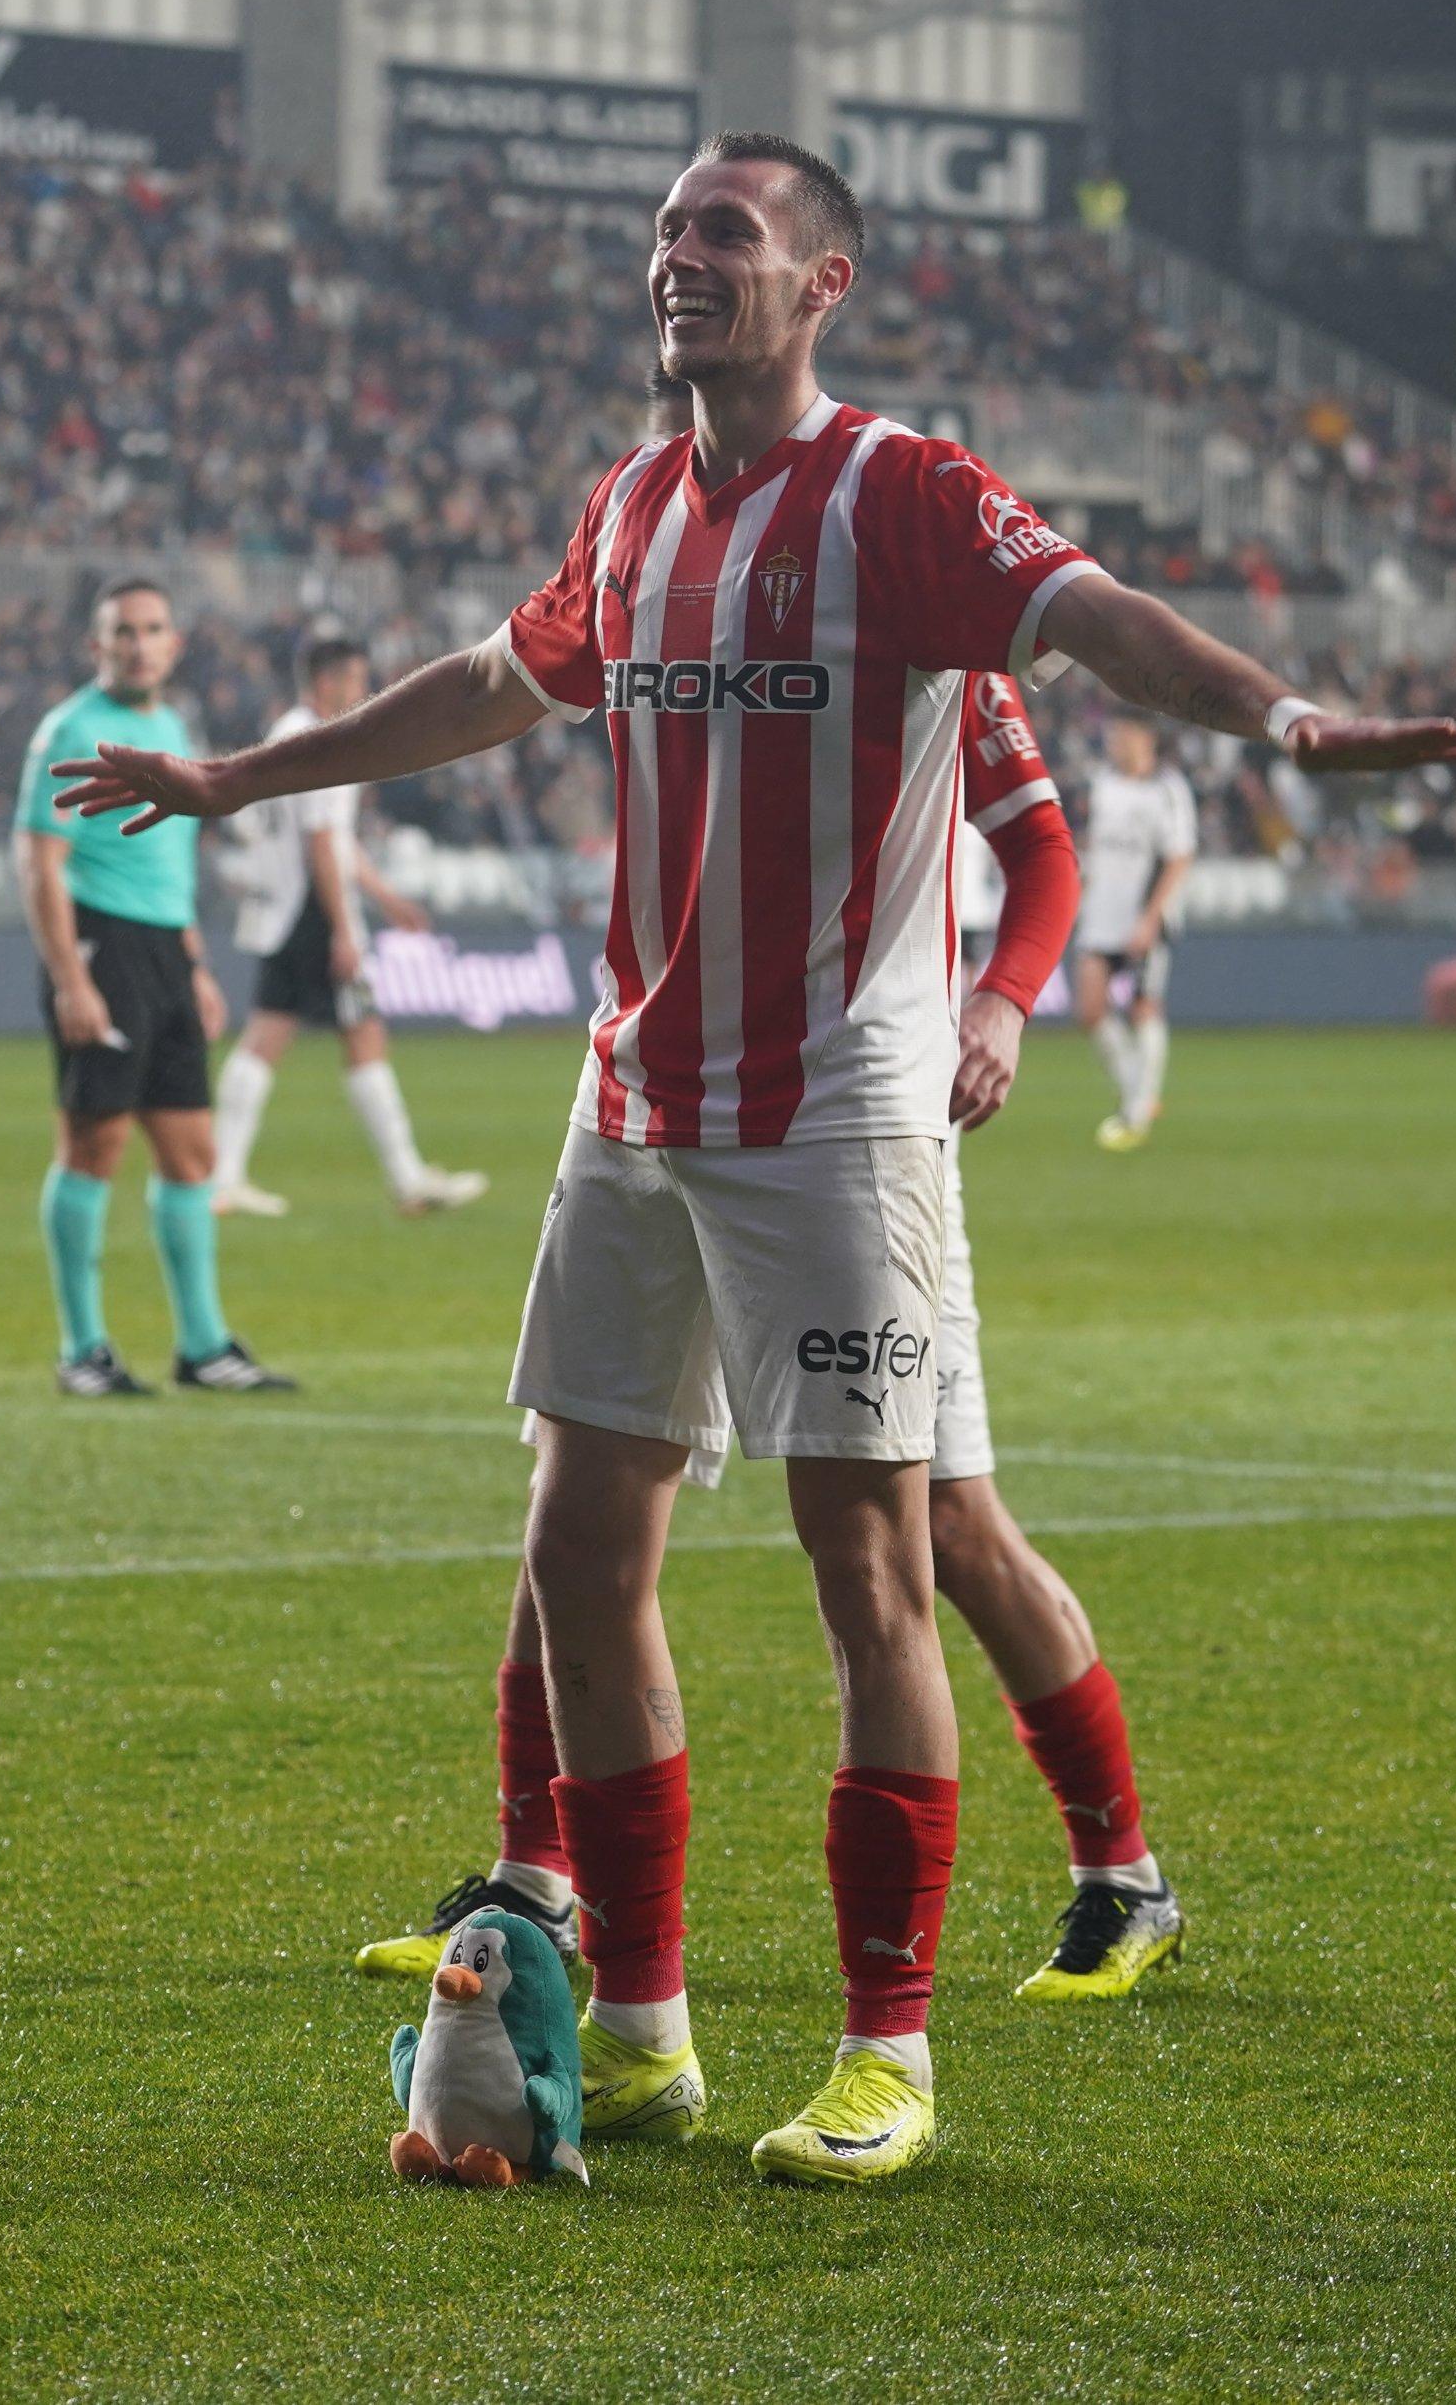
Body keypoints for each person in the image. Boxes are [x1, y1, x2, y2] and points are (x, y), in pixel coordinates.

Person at [54, 130, 1456, 2185]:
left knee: (878, 1561)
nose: (676, 260)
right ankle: (639, 2028)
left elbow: (1094, 620)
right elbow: (480, 683)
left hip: (831, 1104)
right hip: (632, 1091)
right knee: (575, 1543)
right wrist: (231, 774)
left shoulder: (898, 496)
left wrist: (1287, 721)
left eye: (720, 233)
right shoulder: (631, 507)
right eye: (661, 233)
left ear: (821, 283)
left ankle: (887, 2048)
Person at [353, 671, 1187, 2024]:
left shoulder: (905, 585)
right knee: (580, 1499)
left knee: (942, 1523)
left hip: (859, 1125)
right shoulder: (671, 566)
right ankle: (538, 1876)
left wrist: (1006, 996)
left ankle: (1121, 1865)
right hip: (669, 1104)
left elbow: (1039, 843)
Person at [15, 579, 293, 1398]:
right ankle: (82, 1348)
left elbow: (172, 861)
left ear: (175, 644)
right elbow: (40, 863)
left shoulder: (171, 725)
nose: (139, 644)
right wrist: (71, 979)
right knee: (93, 1145)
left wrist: (195, 964)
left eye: (153, 629)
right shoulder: (69, 730)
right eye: (122, 631)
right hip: (101, 947)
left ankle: (203, 1346)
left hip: (167, 954)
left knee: (191, 1152)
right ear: (97, 646)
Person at [208, 632, 487, 1221]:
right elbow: (319, 843)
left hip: (297, 909)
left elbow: (335, 839)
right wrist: (343, 930)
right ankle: (405, 1179)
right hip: (313, 911)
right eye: (357, 679)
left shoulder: (294, 733)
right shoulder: (315, 740)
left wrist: (384, 897)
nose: (365, 691)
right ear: (327, 681)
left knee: (283, 1034)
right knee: (336, 1036)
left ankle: (226, 1178)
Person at [1072, 712, 1199, 1152]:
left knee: (1144, 1007)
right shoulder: (1102, 782)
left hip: (1145, 915)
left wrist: (1150, 917)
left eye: (1121, 733)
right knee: (1089, 1007)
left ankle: (1137, 1107)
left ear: (1143, 737)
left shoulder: (1168, 788)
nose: (1113, 740)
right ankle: (1138, 1091)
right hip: (1101, 911)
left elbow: (1179, 856)